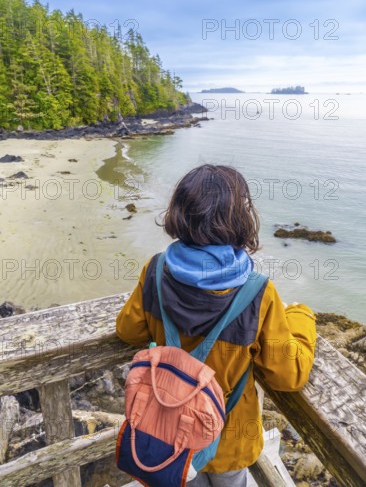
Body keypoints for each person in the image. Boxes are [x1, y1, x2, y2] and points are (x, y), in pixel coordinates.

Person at [116, 164, 316, 486]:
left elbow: (128, 331)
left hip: (172, 434)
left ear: (180, 213)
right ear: (240, 218)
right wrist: (301, 316)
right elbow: (287, 374)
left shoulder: (155, 270)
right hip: (229, 438)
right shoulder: (258, 292)